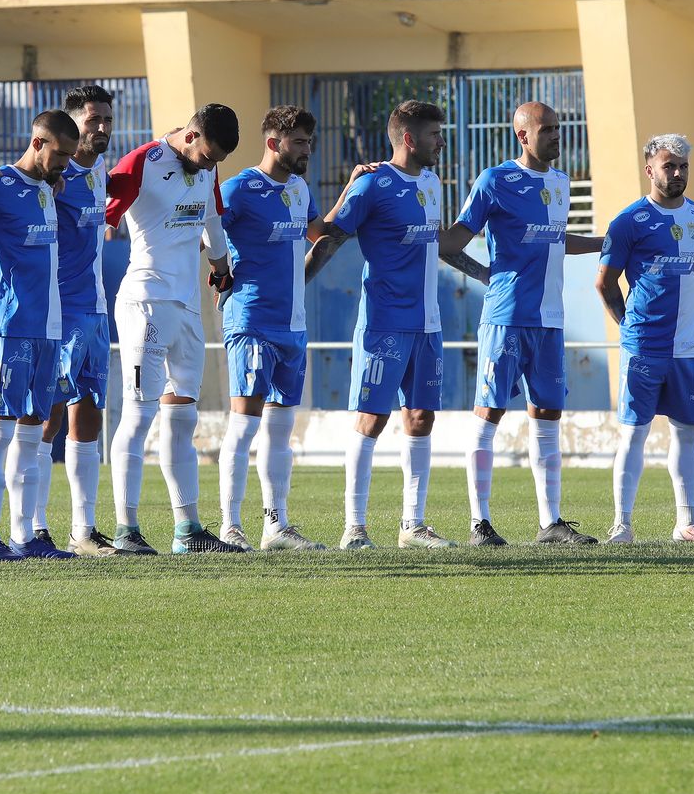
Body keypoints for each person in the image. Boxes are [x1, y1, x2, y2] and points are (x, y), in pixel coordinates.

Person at [306, 100, 488, 550]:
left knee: (421, 417)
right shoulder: (373, 184)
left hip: (429, 324)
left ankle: (413, 525)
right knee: (372, 418)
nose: (441, 142)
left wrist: (486, 274)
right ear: (409, 138)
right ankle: (355, 528)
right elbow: (329, 235)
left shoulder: (430, 181)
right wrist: (298, 281)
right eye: (434, 135)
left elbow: (438, 241)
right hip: (384, 321)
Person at [442, 101, 604, 546]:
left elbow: (557, 239)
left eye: (558, 127)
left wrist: (606, 243)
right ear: (523, 135)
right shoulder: (495, 180)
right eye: (547, 129)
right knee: (489, 415)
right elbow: (455, 239)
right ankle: (480, 524)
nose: (556, 135)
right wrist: (480, 273)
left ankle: (550, 523)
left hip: (551, 320)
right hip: (507, 317)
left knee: (547, 416)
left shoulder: (560, 182)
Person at [106, 104, 243, 555]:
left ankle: (188, 530)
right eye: (208, 155)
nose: (211, 166)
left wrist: (222, 268)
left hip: (186, 307)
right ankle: (127, 531)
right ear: (190, 136)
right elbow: (99, 216)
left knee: (182, 417)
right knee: (139, 413)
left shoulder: (207, 172)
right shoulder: (140, 162)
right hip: (145, 300)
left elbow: (211, 221)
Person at [214, 105, 334, 552]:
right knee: (244, 424)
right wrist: (220, 274)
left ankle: (276, 527)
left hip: (293, 327)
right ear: (273, 143)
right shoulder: (241, 189)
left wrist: (352, 189)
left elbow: (319, 234)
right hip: (252, 321)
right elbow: (206, 234)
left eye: (309, 141)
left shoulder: (300, 188)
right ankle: (230, 526)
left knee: (281, 429)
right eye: (299, 142)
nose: (308, 149)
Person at [0, 111, 81, 560]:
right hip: (10, 328)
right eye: (61, 154)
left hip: (50, 329)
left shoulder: (50, 189)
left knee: (34, 436)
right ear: (37, 142)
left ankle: (24, 535)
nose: (67, 164)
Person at [596, 134, 694, 544]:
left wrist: (689, 315)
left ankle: (688, 523)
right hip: (643, 348)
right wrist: (627, 325)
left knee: (687, 434)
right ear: (650, 169)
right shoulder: (629, 222)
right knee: (634, 433)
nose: (678, 173)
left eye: (683, 165)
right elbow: (605, 283)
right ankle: (622, 524)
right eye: (669, 166)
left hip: (688, 349)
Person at [39, 85, 118, 556]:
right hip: (59, 311)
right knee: (47, 420)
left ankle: (83, 531)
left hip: (96, 309)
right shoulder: (52, 173)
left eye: (107, 119)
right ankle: (33, 527)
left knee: (88, 416)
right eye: (93, 120)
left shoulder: (102, 169)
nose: (102, 128)